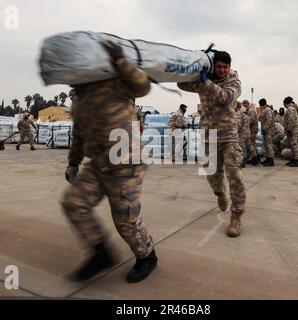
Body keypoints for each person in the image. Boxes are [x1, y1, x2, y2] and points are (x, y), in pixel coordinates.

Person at [62, 40, 157, 283]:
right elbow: (79, 134)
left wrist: (120, 61)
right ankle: (100, 251)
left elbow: (142, 85)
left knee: (125, 220)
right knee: (73, 202)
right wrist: (73, 163)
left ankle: (147, 256)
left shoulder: (112, 81)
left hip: (126, 161)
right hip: (99, 164)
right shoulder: (78, 98)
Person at [177, 51, 246, 237]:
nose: (223, 70)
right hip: (208, 135)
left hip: (229, 135)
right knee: (212, 175)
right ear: (214, 66)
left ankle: (236, 215)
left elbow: (226, 97)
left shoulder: (233, 80)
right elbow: (181, 84)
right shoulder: (204, 77)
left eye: (226, 67)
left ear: (229, 67)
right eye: (220, 66)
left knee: (235, 174)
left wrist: (206, 82)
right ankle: (220, 193)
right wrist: (196, 69)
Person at [283, 96, 298, 167]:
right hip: (293, 130)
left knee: (294, 144)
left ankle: (297, 160)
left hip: (292, 130)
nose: (283, 105)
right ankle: (294, 159)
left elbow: (291, 120)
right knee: (292, 145)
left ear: (286, 103)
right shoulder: (292, 108)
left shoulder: (290, 109)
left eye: (283, 103)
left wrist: (289, 130)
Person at [242, 100, 259, 165]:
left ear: (247, 104)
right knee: (251, 144)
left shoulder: (251, 111)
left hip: (252, 130)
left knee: (251, 144)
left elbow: (251, 120)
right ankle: (255, 158)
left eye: (244, 104)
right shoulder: (248, 111)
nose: (244, 106)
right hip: (250, 130)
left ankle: (255, 159)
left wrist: (243, 122)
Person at [259, 98, 275, 166]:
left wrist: (265, 129)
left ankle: (271, 160)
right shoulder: (265, 110)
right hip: (266, 130)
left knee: (269, 145)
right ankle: (268, 158)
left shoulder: (267, 110)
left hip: (268, 130)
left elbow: (269, 120)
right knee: (266, 145)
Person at [235, 101, 251, 168]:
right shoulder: (245, 113)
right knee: (247, 147)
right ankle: (254, 159)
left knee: (240, 148)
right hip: (247, 132)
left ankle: (241, 162)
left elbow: (238, 124)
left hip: (242, 133)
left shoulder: (239, 113)